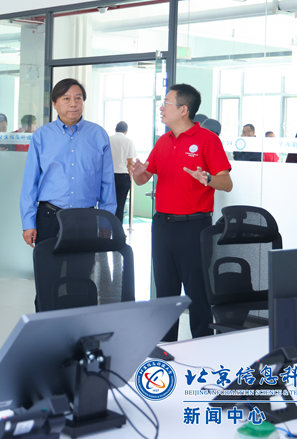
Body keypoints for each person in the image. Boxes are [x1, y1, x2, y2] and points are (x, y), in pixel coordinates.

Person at [132, 84, 232, 341]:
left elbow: (226, 183)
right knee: (165, 292)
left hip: (194, 226)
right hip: (162, 225)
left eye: (166, 103)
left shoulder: (208, 140)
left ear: (183, 110)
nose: (161, 108)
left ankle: (202, 343)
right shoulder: (163, 141)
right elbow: (144, 179)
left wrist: (207, 178)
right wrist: (138, 173)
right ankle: (167, 346)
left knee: (196, 291)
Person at [20, 78, 116, 251]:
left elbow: (107, 182)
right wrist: (28, 222)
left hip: (87, 218)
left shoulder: (98, 135)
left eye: (78, 98)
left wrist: (106, 222)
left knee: (84, 267)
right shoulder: (41, 136)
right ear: (55, 104)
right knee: (48, 266)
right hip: (49, 217)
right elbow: (30, 183)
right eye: (66, 98)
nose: (73, 104)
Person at [108, 121, 136, 225]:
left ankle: (106, 228)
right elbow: (130, 162)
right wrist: (130, 177)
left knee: (107, 203)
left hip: (109, 176)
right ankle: (118, 228)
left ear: (115, 129)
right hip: (123, 176)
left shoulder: (108, 139)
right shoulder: (129, 141)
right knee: (120, 204)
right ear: (126, 131)